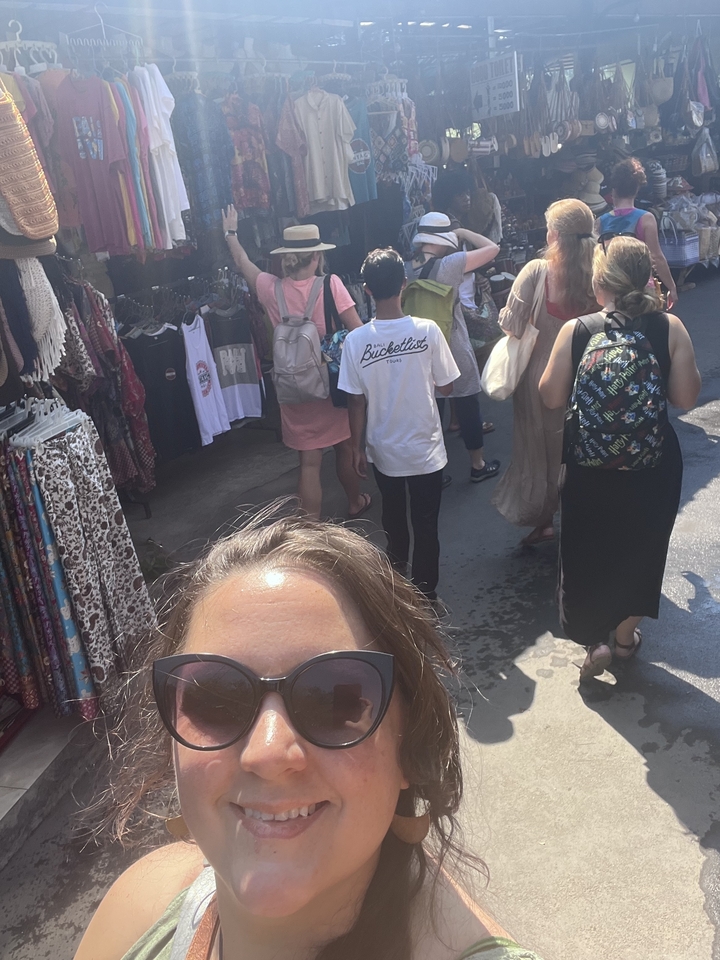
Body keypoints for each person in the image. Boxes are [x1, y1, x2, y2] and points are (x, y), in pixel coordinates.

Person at [74, 511, 547, 960]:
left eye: (334, 700)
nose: (268, 752)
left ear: (409, 744)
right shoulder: (139, 906)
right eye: (215, 699)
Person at [539, 236, 700, 681]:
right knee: (642, 549)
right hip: (651, 465)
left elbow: (550, 396)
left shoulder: (579, 330)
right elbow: (686, 397)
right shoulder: (670, 327)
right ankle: (625, 637)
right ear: (646, 279)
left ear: (599, 280)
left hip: (589, 467)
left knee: (587, 550)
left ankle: (596, 641)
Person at [221, 207, 370, 521]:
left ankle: (312, 526)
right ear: (316, 256)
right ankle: (355, 501)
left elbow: (242, 263)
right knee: (344, 446)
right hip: (328, 383)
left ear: (286, 257)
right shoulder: (331, 285)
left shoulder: (270, 288)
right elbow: (358, 331)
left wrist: (230, 233)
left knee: (310, 462)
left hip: (292, 385)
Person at [338, 248, 460, 605]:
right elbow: (448, 386)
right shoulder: (428, 330)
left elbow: (355, 400)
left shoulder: (355, 341)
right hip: (425, 447)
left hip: (382, 448)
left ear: (366, 290)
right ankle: (426, 594)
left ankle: (397, 588)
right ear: (404, 285)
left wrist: (357, 448)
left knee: (393, 520)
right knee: (426, 524)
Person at [492, 199, 598, 546]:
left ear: (554, 234)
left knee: (538, 448)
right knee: (583, 447)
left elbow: (512, 325)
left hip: (540, 378)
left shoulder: (537, 272)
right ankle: (585, 517)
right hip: (589, 374)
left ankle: (544, 519)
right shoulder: (600, 270)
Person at [406, 212, 500, 486]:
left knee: (429, 409)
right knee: (467, 402)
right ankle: (477, 464)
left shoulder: (404, 266)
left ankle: (432, 472)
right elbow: (492, 249)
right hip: (452, 343)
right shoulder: (451, 263)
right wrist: (463, 233)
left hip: (418, 346)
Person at [432, 169, 503, 424]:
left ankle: (456, 418)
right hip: (457, 299)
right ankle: (464, 417)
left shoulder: (451, 223)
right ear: (449, 197)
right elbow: (459, 262)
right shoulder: (452, 229)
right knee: (469, 356)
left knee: (460, 358)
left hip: (460, 294)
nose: (467, 198)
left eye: (467, 193)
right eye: (460, 194)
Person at [597, 157, 678, 308]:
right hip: (641, 287)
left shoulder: (600, 222)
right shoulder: (646, 219)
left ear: (613, 191)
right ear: (636, 190)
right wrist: (672, 287)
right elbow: (657, 257)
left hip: (612, 286)